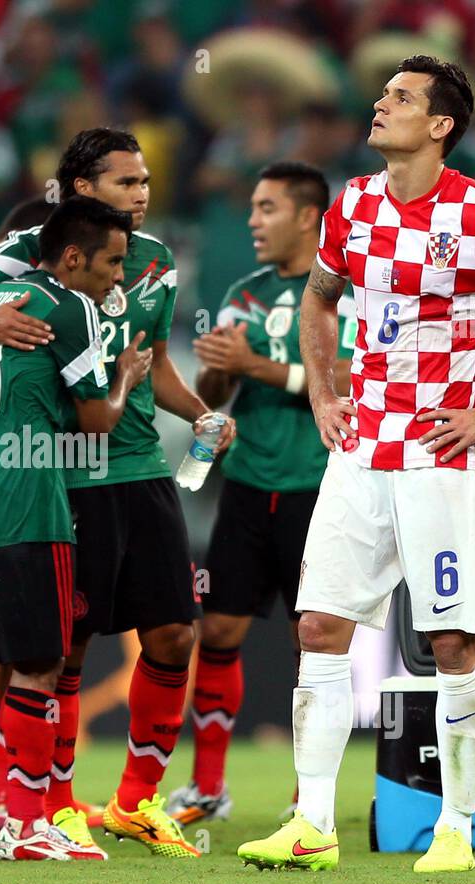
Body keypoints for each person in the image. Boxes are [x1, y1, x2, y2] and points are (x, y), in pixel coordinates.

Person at [237, 55, 475, 874]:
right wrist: (324, 393)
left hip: (439, 459)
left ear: (440, 127)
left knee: (451, 645)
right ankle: (313, 824)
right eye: (383, 92)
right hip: (360, 452)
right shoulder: (353, 203)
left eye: (400, 97)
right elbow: (320, 298)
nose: (380, 102)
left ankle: (456, 830)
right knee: (318, 626)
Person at [0, 127, 233, 859]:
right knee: (62, 650)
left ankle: (135, 801)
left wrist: (201, 414)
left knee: (175, 633)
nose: (143, 194)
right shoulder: (24, 253)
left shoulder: (153, 263)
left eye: (147, 181)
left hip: (140, 467)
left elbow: (148, 366)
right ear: (82, 190)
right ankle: (51, 807)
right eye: (127, 183)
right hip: (62, 478)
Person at [0, 195, 152, 861]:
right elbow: (96, 422)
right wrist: (123, 380)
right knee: (40, 668)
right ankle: (29, 827)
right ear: (70, 258)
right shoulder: (71, 306)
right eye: (112, 262)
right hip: (28, 512)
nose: (118, 277)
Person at [167, 162, 355, 826]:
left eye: (266, 207)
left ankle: (311, 799)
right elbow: (219, 392)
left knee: (315, 641)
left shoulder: (344, 293)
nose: (252, 220)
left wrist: (256, 366)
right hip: (248, 487)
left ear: (308, 216)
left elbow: (349, 385)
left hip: (319, 490)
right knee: (216, 629)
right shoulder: (243, 293)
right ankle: (208, 787)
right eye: (251, 206)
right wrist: (220, 372)